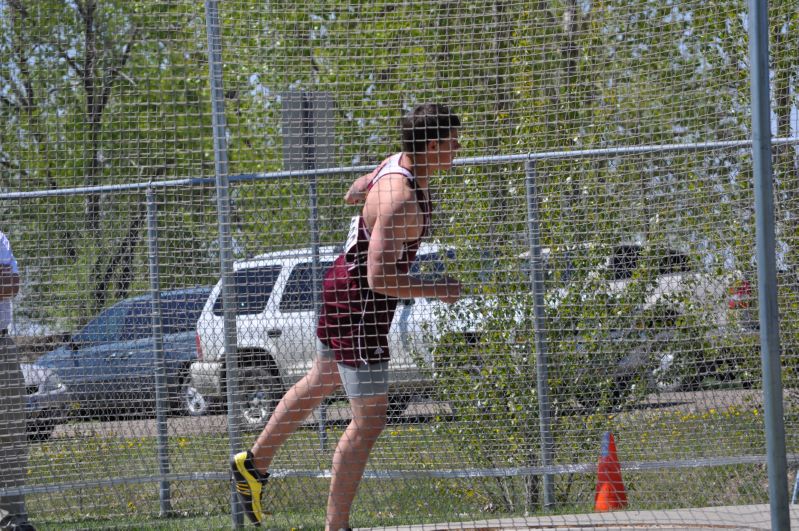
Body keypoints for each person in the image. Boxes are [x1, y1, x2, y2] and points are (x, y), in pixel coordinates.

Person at [231, 103, 462, 530]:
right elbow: (377, 278)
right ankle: (336, 526)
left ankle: (254, 463)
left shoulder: (395, 165)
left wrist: (367, 200)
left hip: (341, 284)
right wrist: (438, 289)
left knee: (322, 380)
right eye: (452, 143)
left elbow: (354, 190)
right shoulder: (401, 200)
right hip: (359, 302)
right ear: (431, 147)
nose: (458, 150)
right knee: (370, 419)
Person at [0, 230, 31, 531]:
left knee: (10, 433)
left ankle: (12, 520)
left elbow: (11, 284)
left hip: (2, 346)